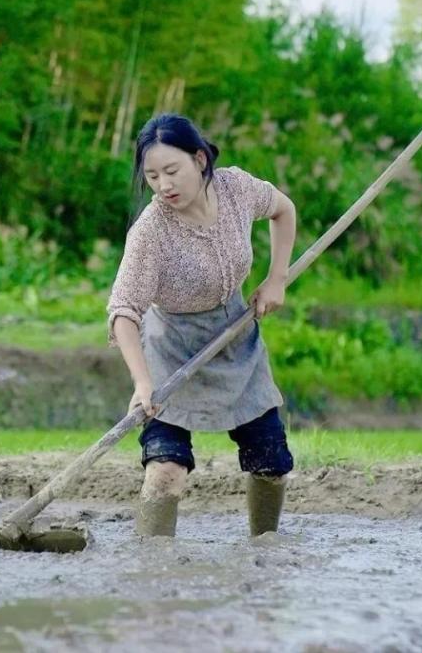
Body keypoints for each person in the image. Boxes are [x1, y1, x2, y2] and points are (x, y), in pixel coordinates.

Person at [106, 113, 297, 538]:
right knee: (165, 471)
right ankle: (153, 570)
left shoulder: (235, 189)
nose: (163, 185)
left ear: (199, 159)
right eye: (152, 176)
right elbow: (123, 312)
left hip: (236, 338)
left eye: (171, 171)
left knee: (272, 466)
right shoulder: (151, 232)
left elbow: (283, 210)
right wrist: (142, 383)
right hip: (170, 348)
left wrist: (276, 279)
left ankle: (264, 551)